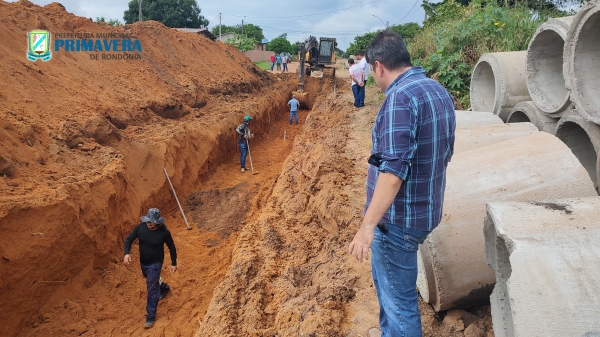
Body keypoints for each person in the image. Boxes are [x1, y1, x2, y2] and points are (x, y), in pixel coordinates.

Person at [348, 29, 456, 337]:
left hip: (396, 222)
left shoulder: (399, 99)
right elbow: (443, 151)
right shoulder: (436, 90)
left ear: (379, 65)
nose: (373, 78)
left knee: (399, 302)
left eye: (372, 71)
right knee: (392, 291)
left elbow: (393, 174)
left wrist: (368, 225)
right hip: (425, 211)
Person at [124, 208, 178, 329]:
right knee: (151, 279)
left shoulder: (164, 232)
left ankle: (151, 316)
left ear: (157, 222)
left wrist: (173, 263)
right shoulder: (140, 228)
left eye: (151, 222)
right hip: (144, 263)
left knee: (152, 290)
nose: (148, 223)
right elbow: (128, 239)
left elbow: (172, 247)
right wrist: (126, 253)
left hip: (155, 264)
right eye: (147, 220)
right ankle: (164, 288)